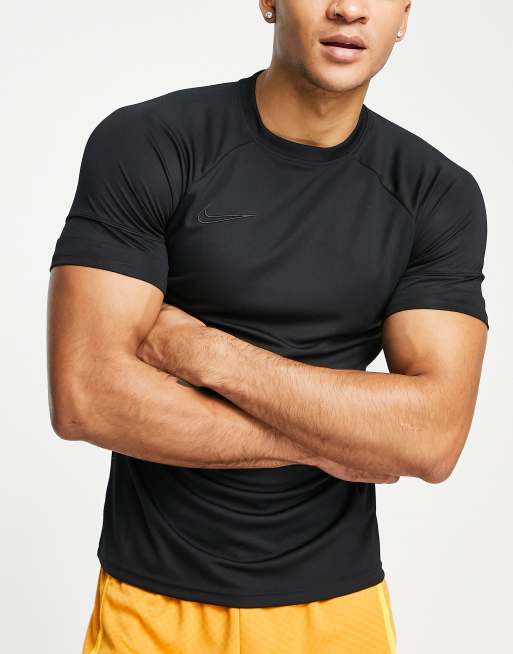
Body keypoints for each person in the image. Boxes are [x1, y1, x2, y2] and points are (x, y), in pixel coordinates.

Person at [47, 1, 489, 652]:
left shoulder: (435, 193)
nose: (348, 9)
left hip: (337, 613)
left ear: (404, 13)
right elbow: (87, 399)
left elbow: (431, 440)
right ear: (267, 1)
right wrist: (333, 444)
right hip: (150, 606)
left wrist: (203, 351)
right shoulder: (151, 142)